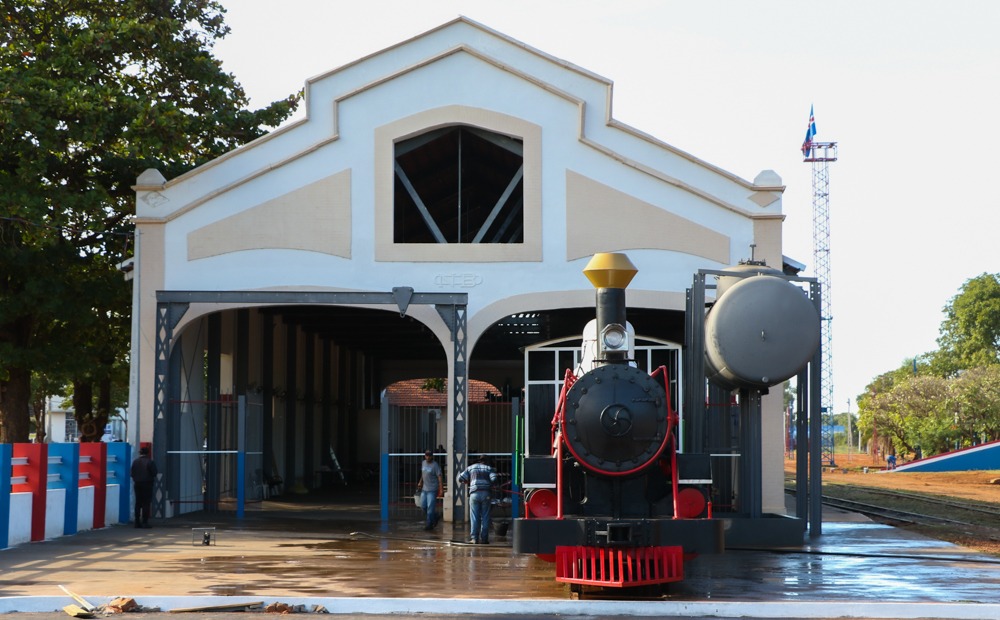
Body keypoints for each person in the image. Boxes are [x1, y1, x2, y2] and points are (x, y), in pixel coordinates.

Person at [457, 454, 498, 544]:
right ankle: (484, 539)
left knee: (474, 517)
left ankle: (474, 538)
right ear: (487, 461)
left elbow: (460, 478)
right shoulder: (488, 468)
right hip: (486, 494)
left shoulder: (471, 468)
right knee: (485, 517)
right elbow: (494, 478)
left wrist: (467, 481)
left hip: (474, 494)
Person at [416, 449, 443, 530]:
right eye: (426, 455)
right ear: (425, 455)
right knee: (423, 506)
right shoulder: (423, 463)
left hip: (432, 489)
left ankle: (429, 524)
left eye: (429, 455)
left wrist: (441, 489)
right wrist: (420, 482)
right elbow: (423, 474)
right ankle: (436, 516)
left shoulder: (435, 465)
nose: (428, 457)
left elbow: (439, 477)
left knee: (430, 508)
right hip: (424, 488)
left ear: (432, 456)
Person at [131, 445, 157, 528]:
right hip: (147, 484)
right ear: (148, 453)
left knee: (138, 503)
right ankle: (145, 522)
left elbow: (132, 473)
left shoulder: (135, 462)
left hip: (137, 484)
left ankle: (137, 522)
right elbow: (154, 473)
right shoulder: (150, 462)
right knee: (146, 503)